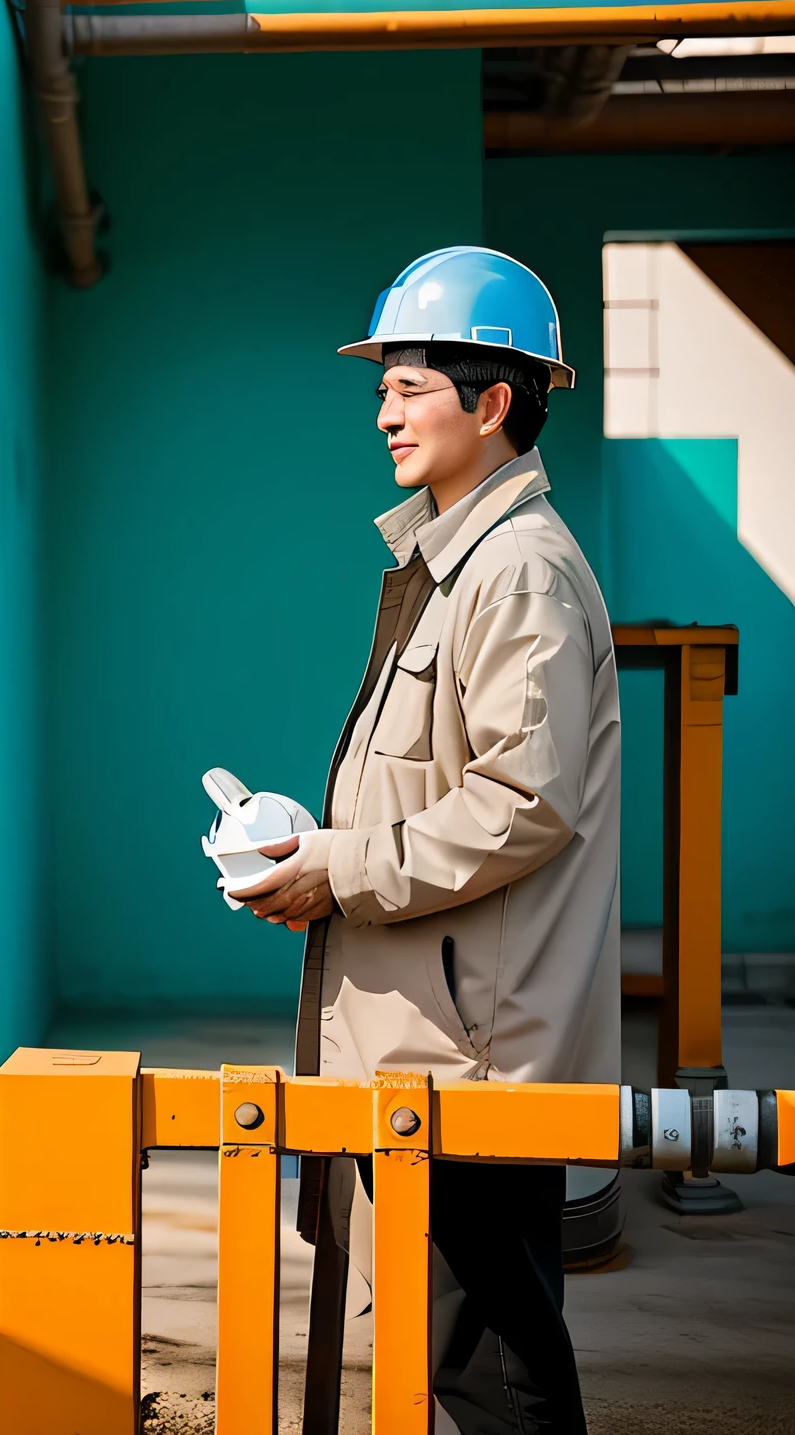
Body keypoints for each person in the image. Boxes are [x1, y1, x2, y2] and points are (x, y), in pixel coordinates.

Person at [229, 248, 620, 1434]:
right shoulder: (450, 561)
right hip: (426, 1049)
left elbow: (521, 802)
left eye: (410, 386)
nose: (385, 410)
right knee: (458, 1356)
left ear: (493, 401)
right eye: (384, 387)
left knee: (491, 1369)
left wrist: (339, 869)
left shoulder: (520, 575)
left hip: (475, 1064)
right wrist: (319, 847)